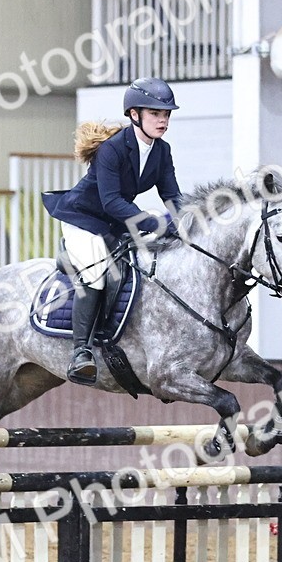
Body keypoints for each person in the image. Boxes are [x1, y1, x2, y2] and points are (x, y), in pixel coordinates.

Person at [41, 76, 184, 386]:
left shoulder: (162, 151)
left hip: (114, 221)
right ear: (135, 115)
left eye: (166, 114)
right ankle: (81, 353)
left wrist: (186, 221)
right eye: (156, 114)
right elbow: (111, 202)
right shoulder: (112, 150)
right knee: (97, 273)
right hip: (84, 218)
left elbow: (172, 196)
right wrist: (152, 221)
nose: (163, 120)